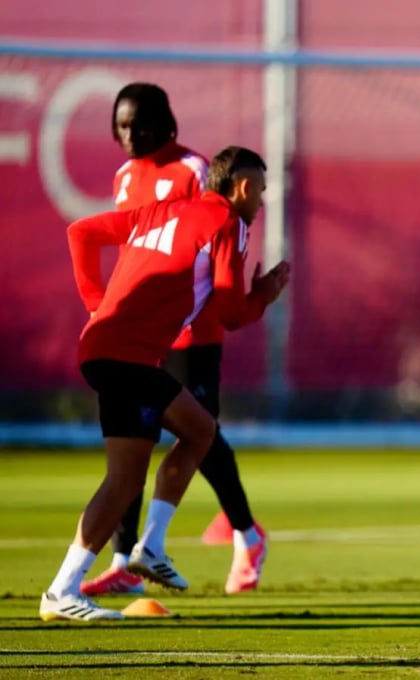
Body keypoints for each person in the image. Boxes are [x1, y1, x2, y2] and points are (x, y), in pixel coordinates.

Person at [42, 146, 290, 620]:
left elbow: (81, 232)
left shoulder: (162, 210)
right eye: (259, 190)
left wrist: (96, 305)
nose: (261, 201)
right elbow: (230, 313)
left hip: (102, 348)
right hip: (129, 357)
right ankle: (140, 552)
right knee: (195, 434)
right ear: (241, 187)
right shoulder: (230, 223)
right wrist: (264, 295)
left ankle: (70, 587)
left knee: (134, 472)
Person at [82, 83, 269, 598]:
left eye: (137, 124)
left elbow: (216, 244)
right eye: (120, 126)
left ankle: (246, 534)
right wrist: (101, 302)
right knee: (136, 441)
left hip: (192, 331)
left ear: (165, 124)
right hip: (144, 332)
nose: (128, 135)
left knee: (201, 434)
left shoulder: (193, 169)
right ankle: (123, 560)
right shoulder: (124, 177)